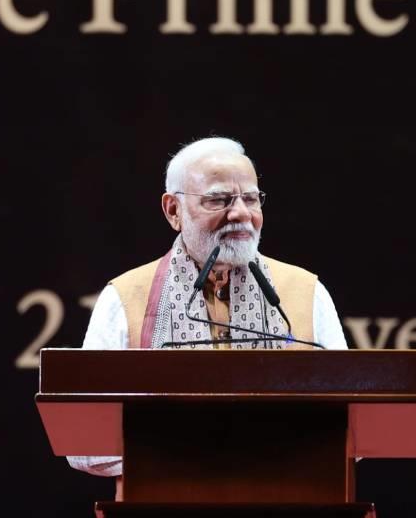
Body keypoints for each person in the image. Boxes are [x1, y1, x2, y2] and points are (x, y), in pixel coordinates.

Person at [68, 136, 349, 479]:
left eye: (250, 198)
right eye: (219, 200)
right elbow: (83, 444)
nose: (241, 214)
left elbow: (352, 430)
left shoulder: (306, 292)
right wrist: (195, 456)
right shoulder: (125, 297)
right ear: (174, 210)